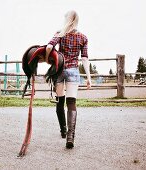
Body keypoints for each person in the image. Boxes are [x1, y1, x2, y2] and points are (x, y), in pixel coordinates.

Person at [45, 10, 91, 149]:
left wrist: (48, 59)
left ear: (67, 19)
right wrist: (88, 77)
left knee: (60, 100)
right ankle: (70, 137)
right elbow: (84, 58)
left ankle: (63, 131)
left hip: (59, 71)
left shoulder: (60, 33)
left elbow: (48, 47)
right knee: (71, 102)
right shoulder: (83, 37)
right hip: (73, 72)